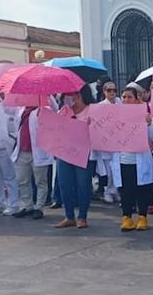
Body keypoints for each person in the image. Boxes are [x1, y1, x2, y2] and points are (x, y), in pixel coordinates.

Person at [116, 87, 153, 231]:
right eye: (124, 97)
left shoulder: (144, 115)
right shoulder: (116, 116)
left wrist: (149, 123)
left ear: (136, 99)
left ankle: (142, 217)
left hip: (139, 159)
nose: (126, 100)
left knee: (142, 189)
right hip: (123, 159)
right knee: (126, 190)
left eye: (129, 97)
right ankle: (126, 217)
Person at [54, 85, 95, 229]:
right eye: (69, 94)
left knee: (83, 184)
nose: (73, 97)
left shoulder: (91, 110)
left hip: (84, 153)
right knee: (64, 184)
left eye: (76, 94)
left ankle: (82, 216)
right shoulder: (63, 111)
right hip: (64, 152)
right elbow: (56, 129)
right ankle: (69, 216)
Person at [10, 102, 51, 220]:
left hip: (38, 151)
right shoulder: (20, 109)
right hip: (22, 151)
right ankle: (27, 206)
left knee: (40, 181)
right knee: (22, 180)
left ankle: (39, 207)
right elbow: (7, 109)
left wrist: (43, 112)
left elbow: (51, 122)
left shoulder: (44, 109)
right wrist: (2, 96)